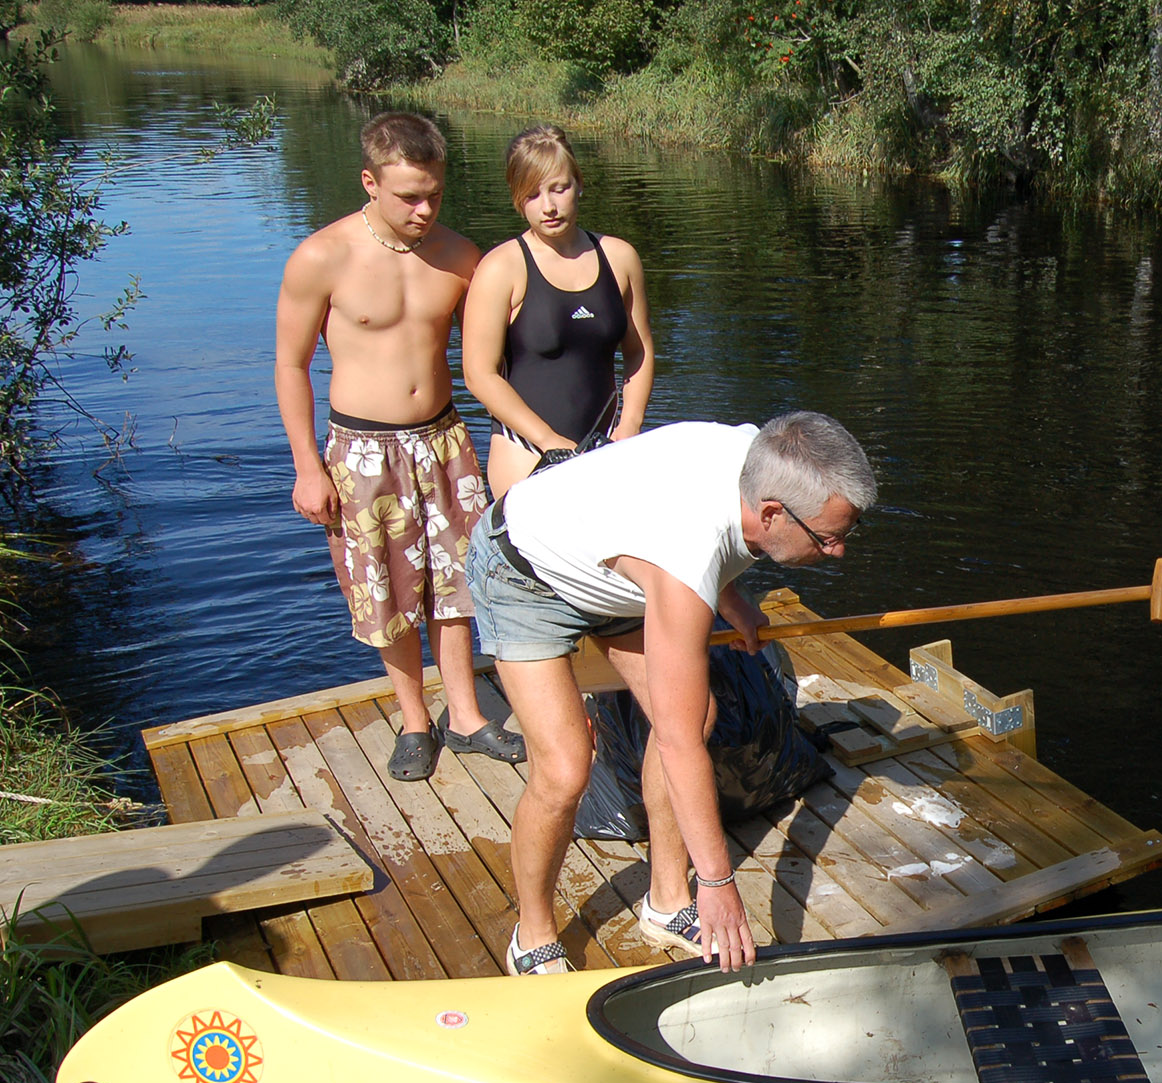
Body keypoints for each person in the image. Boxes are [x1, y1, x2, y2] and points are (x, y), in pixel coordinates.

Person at [468, 411, 874, 975]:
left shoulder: (765, 455)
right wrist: (717, 881)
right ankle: (532, 933)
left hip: (617, 574)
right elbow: (679, 745)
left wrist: (732, 599)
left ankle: (665, 901)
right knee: (564, 767)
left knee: (695, 713)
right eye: (828, 537)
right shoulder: (685, 552)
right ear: (773, 512)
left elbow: (699, 528)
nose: (837, 552)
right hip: (524, 572)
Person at [275, 111, 526, 780]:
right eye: (409, 195)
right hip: (361, 452)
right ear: (369, 181)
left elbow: (514, 344)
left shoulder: (461, 256)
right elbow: (290, 364)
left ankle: (467, 716)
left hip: (444, 441)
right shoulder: (322, 256)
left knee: (458, 585)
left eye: (434, 194)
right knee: (386, 596)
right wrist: (307, 466)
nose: (423, 209)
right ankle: (416, 720)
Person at [463, 125, 654, 501]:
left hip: (605, 451)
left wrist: (628, 428)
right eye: (531, 195)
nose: (547, 206)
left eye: (558, 189)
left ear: (579, 183)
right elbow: (479, 374)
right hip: (527, 455)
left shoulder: (619, 258)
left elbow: (639, 352)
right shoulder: (501, 268)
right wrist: (551, 443)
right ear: (517, 199)